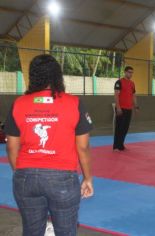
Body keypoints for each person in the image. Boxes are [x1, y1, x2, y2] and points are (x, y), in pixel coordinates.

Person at [4, 54, 94, 236]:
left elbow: (11, 147)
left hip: (25, 178)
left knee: (31, 231)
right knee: (65, 232)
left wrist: (21, 172)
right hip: (62, 179)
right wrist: (87, 178)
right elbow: (83, 147)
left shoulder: (18, 104)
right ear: (57, 76)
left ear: (33, 76)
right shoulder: (74, 103)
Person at [113, 66, 139, 151]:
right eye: (129, 72)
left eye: (132, 72)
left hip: (129, 109)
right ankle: (116, 146)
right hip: (121, 108)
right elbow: (116, 95)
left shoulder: (132, 83)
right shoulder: (119, 82)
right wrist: (118, 107)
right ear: (125, 72)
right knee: (119, 127)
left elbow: (134, 96)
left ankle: (121, 145)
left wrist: (136, 106)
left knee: (125, 128)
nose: (130, 74)